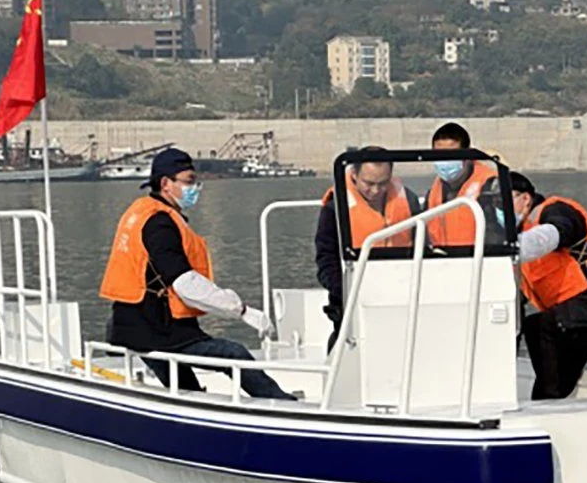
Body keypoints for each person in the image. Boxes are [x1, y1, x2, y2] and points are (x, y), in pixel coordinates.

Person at [99, 147, 294, 400]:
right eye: (189, 181)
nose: (196, 188)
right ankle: (279, 404)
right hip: (156, 329)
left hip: (129, 325)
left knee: (183, 384)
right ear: (166, 183)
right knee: (234, 354)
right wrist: (242, 310)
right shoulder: (159, 224)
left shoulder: (142, 211)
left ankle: (190, 405)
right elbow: (184, 283)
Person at [509, 172, 587, 400]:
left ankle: (550, 398)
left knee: (542, 326)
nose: (502, 211)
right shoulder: (521, 236)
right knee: (529, 326)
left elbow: (563, 228)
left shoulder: (553, 211)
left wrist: (520, 245)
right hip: (571, 317)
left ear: (525, 198)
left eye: (505, 202)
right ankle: (549, 396)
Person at [315, 146, 421, 352]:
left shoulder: (408, 200)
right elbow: (326, 259)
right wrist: (344, 292)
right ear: (354, 175)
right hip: (353, 297)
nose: (375, 190)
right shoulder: (335, 207)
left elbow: (422, 243)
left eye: (383, 183)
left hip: (403, 292)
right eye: (369, 183)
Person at [425, 122, 499, 247]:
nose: (445, 161)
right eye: (439, 155)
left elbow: (497, 235)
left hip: (477, 260)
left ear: (467, 155)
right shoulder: (433, 191)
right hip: (442, 261)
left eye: (452, 155)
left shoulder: (490, 186)